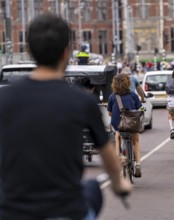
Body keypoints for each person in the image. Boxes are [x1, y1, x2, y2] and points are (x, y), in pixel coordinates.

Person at [0, 14, 131, 220]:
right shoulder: (82, 101)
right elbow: (108, 155)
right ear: (66, 52)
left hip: (13, 212)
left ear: (30, 51)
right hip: (66, 211)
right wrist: (119, 183)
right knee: (91, 188)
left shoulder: (4, 98)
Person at [107, 73, 143, 177]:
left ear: (114, 84)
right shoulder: (133, 95)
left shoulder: (112, 97)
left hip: (119, 125)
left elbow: (109, 113)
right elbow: (139, 109)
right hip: (132, 124)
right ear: (128, 83)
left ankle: (119, 156)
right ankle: (138, 164)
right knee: (135, 141)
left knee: (117, 136)